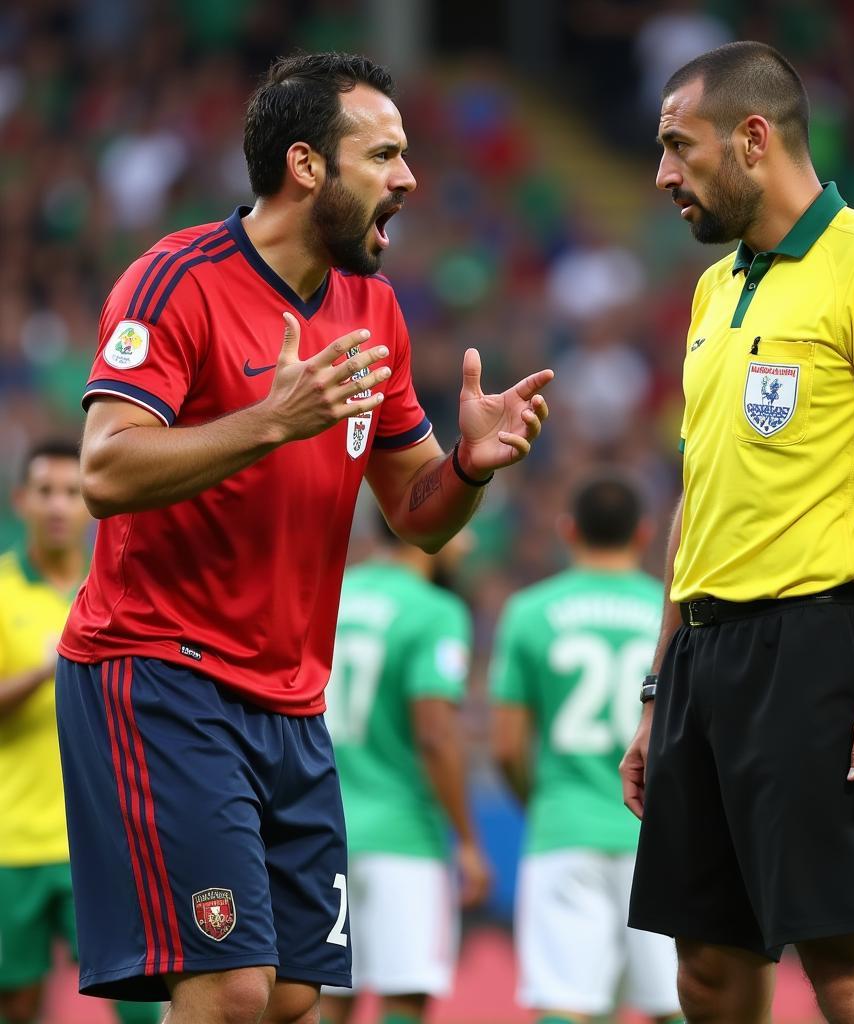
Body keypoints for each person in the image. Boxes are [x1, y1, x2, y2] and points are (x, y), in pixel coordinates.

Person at [54, 51, 552, 1024]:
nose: (409, 178)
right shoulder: (175, 282)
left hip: (291, 699)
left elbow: (413, 510)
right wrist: (268, 423)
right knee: (232, 986)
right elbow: (103, 471)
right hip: (161, 671)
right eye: (386, 154)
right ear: (307, 166)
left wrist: (468, 468)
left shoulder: (371, 309)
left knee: (293, 993)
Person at [620, 41, 854, 1024]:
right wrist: (657, 684)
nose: (662, 175)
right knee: (708, 974)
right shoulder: (714, 289)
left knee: (848, 971)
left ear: (753, 138)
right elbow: (699, 497)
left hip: (816, 653)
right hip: (702, 662)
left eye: (679, 147)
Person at [490, 473, 683, 1024]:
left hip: (564, 826)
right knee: (676, 1001)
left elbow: (505, 746)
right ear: (646, 534)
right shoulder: (669, 614)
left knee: (563, 1002)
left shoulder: (529, 612)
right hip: (658, 832)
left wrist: (543, 799)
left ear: (568, 530)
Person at [0, 441, 160, 1024]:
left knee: (141, 1001)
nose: (59, 506)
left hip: (102, 841)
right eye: (46, 492)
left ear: (91, 502)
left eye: (72, 491)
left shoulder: (121, 589)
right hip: (12, 840)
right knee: (18, 1007)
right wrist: (48, 669)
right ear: (22, 500)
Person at [319, 518, 490, 1024]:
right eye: (464, 526)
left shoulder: (332, 594)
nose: (472, 541)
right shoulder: (435, 611)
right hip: (404, 837)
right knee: (405, 994)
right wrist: (466, 838)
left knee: (326, 994)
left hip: (322, 832)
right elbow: (435, 734)